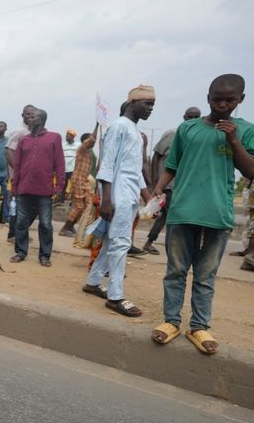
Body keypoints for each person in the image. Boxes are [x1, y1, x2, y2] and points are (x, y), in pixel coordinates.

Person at [151, 74, 254, 354]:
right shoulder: (187, 129)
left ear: (240, 100)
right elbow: (171, 165)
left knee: (206, 276)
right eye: (216, 98)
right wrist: (158, 189)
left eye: (229, 99)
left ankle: (199, 326)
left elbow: (250, 171)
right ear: (208, 97)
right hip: (182, 210)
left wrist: (233, 140)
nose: (222, 104)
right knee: (175, 271)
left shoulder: (245, 131)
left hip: (217, 214)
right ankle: (171, 321)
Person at [82, 85, 155, 318]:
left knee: (111, 242)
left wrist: (148, 198)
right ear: (133, 102)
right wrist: (106, 200)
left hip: (129, 195)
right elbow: (107, 164)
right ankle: (115, 296)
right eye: (147, 103)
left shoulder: (135, 132)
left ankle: (93, 283)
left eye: (153, 104)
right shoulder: (118, 127)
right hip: (117, 196)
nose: (151, 108)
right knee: (121, 245)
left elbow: (135, 170)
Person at [142, 106, 202, 255]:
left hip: (183, 186)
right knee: (171, 217)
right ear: (184, 117)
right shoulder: (172, 134)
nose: (193, 120)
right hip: (168, 185)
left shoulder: (196, 139)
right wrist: (157, 182)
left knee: (167, 216)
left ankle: (150, 242)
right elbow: (156, 157)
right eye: (190, 117)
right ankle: (169, 247)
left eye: (196, 117)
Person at [10, 109, 65, 267]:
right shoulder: (24, 140)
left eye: (32, 116)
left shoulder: (54, 138)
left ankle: (45, 255)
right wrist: (15, 187)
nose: (29, 118)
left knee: (46, 224)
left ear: (41, 120)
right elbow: (18, 166)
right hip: (24, 189)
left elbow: (59, 164)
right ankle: (21, 252)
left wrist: (59, 187)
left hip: (44, 190)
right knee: (20, 222)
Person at [58, 126, 99, 237]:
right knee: (78, 206)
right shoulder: (82, 149)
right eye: (91, 141)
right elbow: (91, 140)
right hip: (78, 180)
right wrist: (97, 125)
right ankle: (65, 228)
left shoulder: (90, 153)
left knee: (88, 205)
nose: (93, 143)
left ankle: (71, 226)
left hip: (85, 181)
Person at [5, 104, 36, 242]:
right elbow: (8, 151)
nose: (30, 117)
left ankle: (20, 232)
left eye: (33, 114)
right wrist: (18, 171)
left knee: (27, 206)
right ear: (22, 115)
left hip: (29, 176)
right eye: (28, 114)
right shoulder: (19, 132)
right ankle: (13, 234)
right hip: (18, 176)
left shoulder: (33, 132)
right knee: (18, 205)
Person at [61, 128, 80, 203]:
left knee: (74, 186)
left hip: (73, 169)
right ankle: (61, 200)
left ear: (73, 137)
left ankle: (73, 201)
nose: (66, 137)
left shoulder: (78, 145)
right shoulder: (63, 145)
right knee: (63, 185)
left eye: (68, 136)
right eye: (66, 135)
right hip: (64, 169)